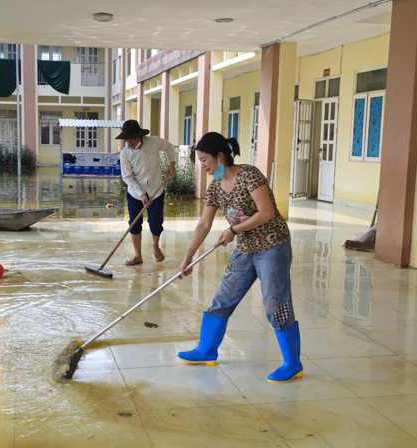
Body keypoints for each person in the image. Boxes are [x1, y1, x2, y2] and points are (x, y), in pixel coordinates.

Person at [176, 132, 301, 383]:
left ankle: (292, 363)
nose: (202, 166)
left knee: (274, 302)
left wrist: (233, 230)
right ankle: (206, 350)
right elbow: (203, 224)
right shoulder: (215, 187)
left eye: (204, 159)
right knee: (223, 298)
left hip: (272, 246)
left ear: (219, 156)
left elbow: (266, 212)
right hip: (245, 249)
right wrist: (187, 257)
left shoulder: (249, 175)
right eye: (199, 161)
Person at [117, 119, 177, 266]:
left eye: (131, 139)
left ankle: (156, 247)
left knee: (156, 223)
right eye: (126, 140)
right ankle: (138, 256)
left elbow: (169, 147)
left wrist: (172, 163)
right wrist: (141, 194)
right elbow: (127, 177)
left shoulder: (154, 142)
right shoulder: (125, 154)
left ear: (138, 136)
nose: (128, 143)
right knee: (134, 223)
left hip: (156, 190)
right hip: (135, 194)